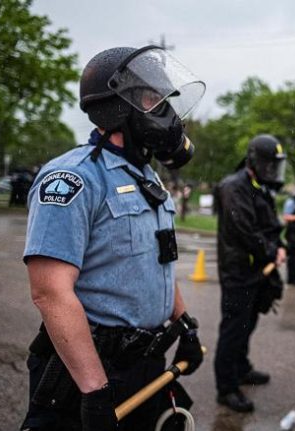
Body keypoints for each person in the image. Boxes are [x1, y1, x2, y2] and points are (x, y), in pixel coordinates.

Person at [20, 45, 205, 431]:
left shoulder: (146, 177)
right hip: (87, 370)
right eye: (154, 100)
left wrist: (184, 323)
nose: (166, 114)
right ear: (117, 106)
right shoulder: (73, 178)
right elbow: (50, 292)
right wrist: (94, 388)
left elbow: (160, 262)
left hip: (143, 365)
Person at [213, 134, 287, 413]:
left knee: (248, 323)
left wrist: (278, 246)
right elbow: (243, 230)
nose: (273, 171)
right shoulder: (234, 187)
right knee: (233, 329)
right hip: (238, 272)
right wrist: (271, 250)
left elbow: (270, 226)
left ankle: (241, 368)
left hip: (257, 271)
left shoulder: (261, 187)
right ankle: (226, 388)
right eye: (270, 164)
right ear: (256, 161)